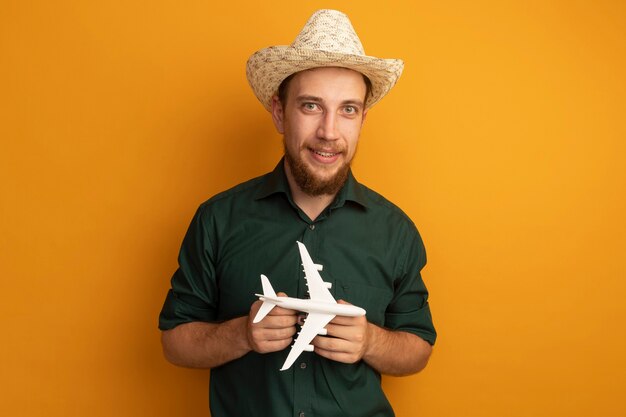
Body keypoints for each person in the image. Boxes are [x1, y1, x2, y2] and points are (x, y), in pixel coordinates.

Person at [159, 9, 436, 417]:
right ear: (279, 112)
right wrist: (242, 335)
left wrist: (371, 342)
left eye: (348, 109)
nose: (329, 131)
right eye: (311, 106)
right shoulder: (218, 219)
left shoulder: (395, 230)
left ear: (362, 119)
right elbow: (174, 341)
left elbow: (418, 348)